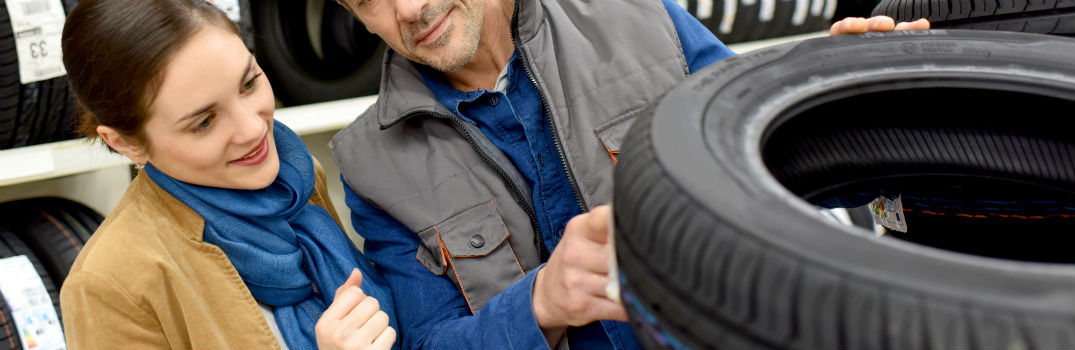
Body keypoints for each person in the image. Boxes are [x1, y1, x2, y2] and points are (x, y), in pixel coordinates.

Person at [328, 0, 931, 348]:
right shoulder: (369, 164)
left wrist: (851, 110)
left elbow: (776, 170)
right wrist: (541, 302)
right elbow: (429, 343)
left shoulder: (643, 19)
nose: (408, 8)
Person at [58, 0, 397, 349]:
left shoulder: (296, 178)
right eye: (204, 122)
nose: (252, 128)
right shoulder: (109, 285)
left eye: (249, 84)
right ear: (127, 143)